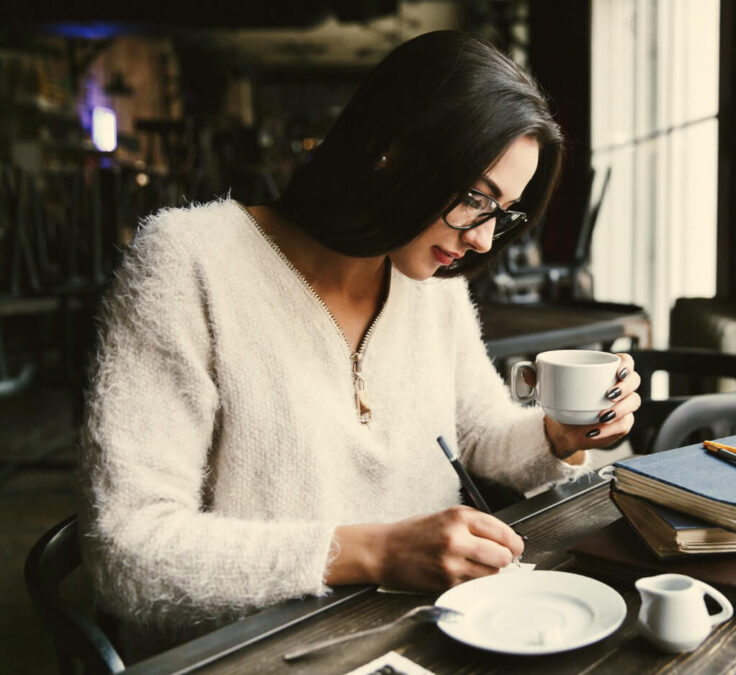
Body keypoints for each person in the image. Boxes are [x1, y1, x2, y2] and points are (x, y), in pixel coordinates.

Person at [77, 30, 641, 654]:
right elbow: (126, 550)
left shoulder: (433, 284)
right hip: (267, 651)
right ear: (389, 151)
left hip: (436, 636)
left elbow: (479, 433)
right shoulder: (188, 263)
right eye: (475, 198)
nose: (483, 240)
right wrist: (372, 551)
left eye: (501, 212)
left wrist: (560, 436)